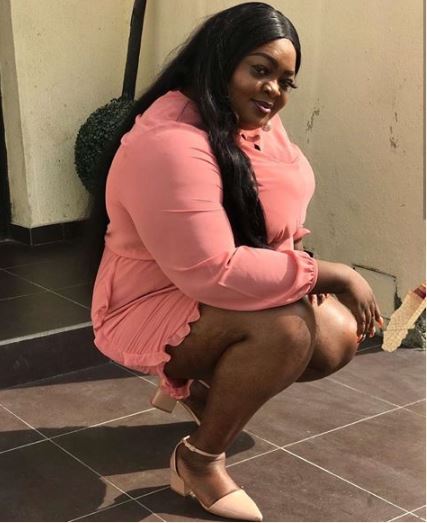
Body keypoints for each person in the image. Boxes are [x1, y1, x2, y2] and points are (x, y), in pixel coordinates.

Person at [85, 2, 383, 520]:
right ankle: (198, 461)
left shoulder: (251, 117)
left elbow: (280, 201)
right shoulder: (168, 142)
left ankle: (202, 384)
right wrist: (329, 273)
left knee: (334, 337)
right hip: (145, 303)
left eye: (286, 81)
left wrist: (291, 262)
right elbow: (213, 270)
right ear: (219, 61)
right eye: (260, 70)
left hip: (207, 286)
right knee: (286, 330)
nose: (274, 91)